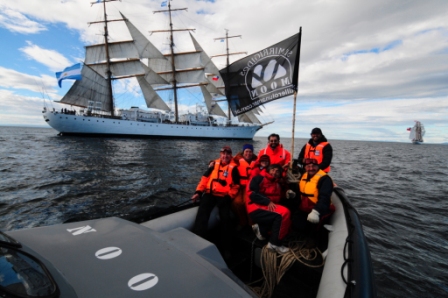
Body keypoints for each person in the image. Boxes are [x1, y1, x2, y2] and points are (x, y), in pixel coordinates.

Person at [191, 146, 240, 255]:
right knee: (202, 214)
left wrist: (228, 198)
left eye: (227, 154)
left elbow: (236, 186)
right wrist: (198, 192)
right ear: (220, 154)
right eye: (223, 154)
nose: (225, 156)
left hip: (224, 197)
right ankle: (197, 241)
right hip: (210, 194)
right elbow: (204, 179)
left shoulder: (234, 168)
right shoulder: (213, 165)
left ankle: (226, 247)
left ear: (230, 155)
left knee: (225, 219)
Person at [246, 164, 291, 254]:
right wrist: (267, 201)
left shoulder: (277, 184)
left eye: (277, 171)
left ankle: (261, 230)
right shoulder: (259, 179)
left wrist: (286, 194)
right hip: (255, 206)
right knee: (284, 213)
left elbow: (277, 196)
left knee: (284, 216)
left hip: (266, 207)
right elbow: (251, 193)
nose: (274, 172)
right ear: (268, 170)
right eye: (272, 170)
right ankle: (274, 244)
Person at [291, 158, 335, 243]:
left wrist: (316, 211)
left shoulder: (325, 179)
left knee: (314, 231)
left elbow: (325, 198)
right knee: (296, 223)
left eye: (314, 166)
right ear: (305, 168)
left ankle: (314, 243)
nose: (311, 168)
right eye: (308, 166)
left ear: (318, 167)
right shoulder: (304, 175)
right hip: (305, 207)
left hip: (319, 209)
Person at [231, 144, 257, 228]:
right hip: (239, 186)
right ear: (243, 152)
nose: (248, 153)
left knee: (247, 202)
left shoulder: (256, 161)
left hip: (249, 187)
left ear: (252, 153)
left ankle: (251, 223)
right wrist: (212, 162)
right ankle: (242, 222)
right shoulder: (237, 160)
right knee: (237, 202)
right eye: (246, 151)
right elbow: (225, 160)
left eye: (250, 152)